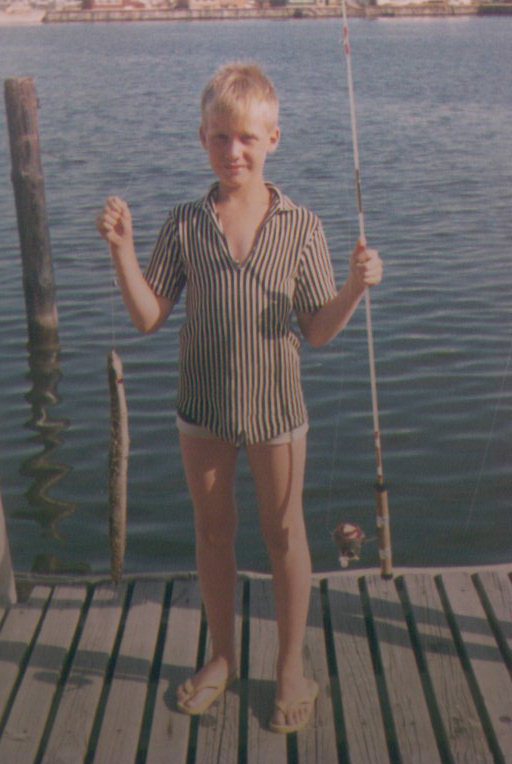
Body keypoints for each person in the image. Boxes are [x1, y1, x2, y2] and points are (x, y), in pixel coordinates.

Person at [97, 62, 382, 734]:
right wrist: (123, 251)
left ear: (273, 138)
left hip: (277, 411)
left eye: (248, 137)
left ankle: (289, 666)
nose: (234, 151)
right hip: (203, 411)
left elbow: (317, 330)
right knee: (213, 532)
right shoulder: (185, 223)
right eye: (221, 137)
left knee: (285, 533)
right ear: (203, 137)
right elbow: (147, 316)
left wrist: (354, 288)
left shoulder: (302, 226)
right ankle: (223, 656)